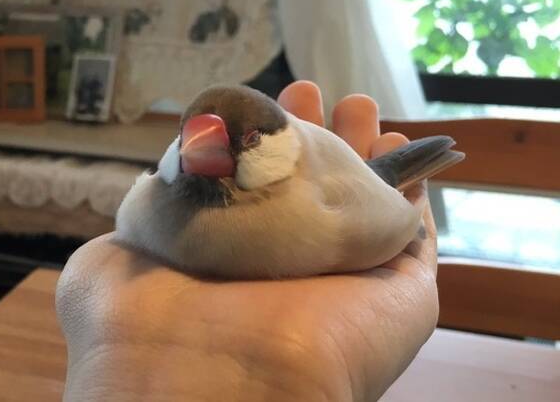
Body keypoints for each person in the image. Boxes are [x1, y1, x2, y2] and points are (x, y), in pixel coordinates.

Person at [56, 81, 439, 402]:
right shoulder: (148, 201)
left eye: (251, 139)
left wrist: (411, 218)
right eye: (189, 136)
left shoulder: (322, 206)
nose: (203, 149)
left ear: (273, 139)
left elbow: (397, 221)